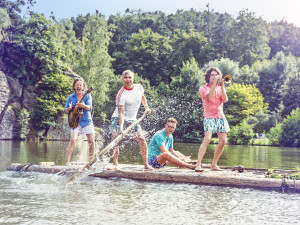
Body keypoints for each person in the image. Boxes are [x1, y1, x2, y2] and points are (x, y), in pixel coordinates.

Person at [108, 70, 153, 170]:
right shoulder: (121, 94)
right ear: (122, 79)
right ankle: (115, 163)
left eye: (130, 77)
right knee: (115, 139)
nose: (128, 80)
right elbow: (121, 113)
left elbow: (142, 97)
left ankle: (146, 164)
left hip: (132, 119)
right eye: (125, 78)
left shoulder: (139, 87)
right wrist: (121, 128)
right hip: (118, 118)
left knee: (142, 139)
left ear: (133, 78)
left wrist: (146, 107)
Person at [195, 67, 230, 172]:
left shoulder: (220, 87)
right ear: (208, 77)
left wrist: (222, 86)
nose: (214, 77)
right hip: (209, 117)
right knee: (207, 139)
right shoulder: (203, 88)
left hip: (220, 116)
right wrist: (215, 85)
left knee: (223, 142)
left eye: (216, 75)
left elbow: (225, 100)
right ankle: (198, 164)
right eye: (212, 75)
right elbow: (209, 97)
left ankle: (213, 165)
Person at [64, 78, 95, 166]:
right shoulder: (71, 97)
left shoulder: (88, 95)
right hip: (75, 122)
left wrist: (83, 105)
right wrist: (69, 108)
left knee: (91, 140)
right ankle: (67, 162)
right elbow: (65, 111)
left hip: (86, 121)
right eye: (77, 85)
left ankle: (91, 161)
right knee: (73, 139)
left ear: (83, 87)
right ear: (74, 86)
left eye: (80, 85)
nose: (78, 86)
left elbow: (89, 108)